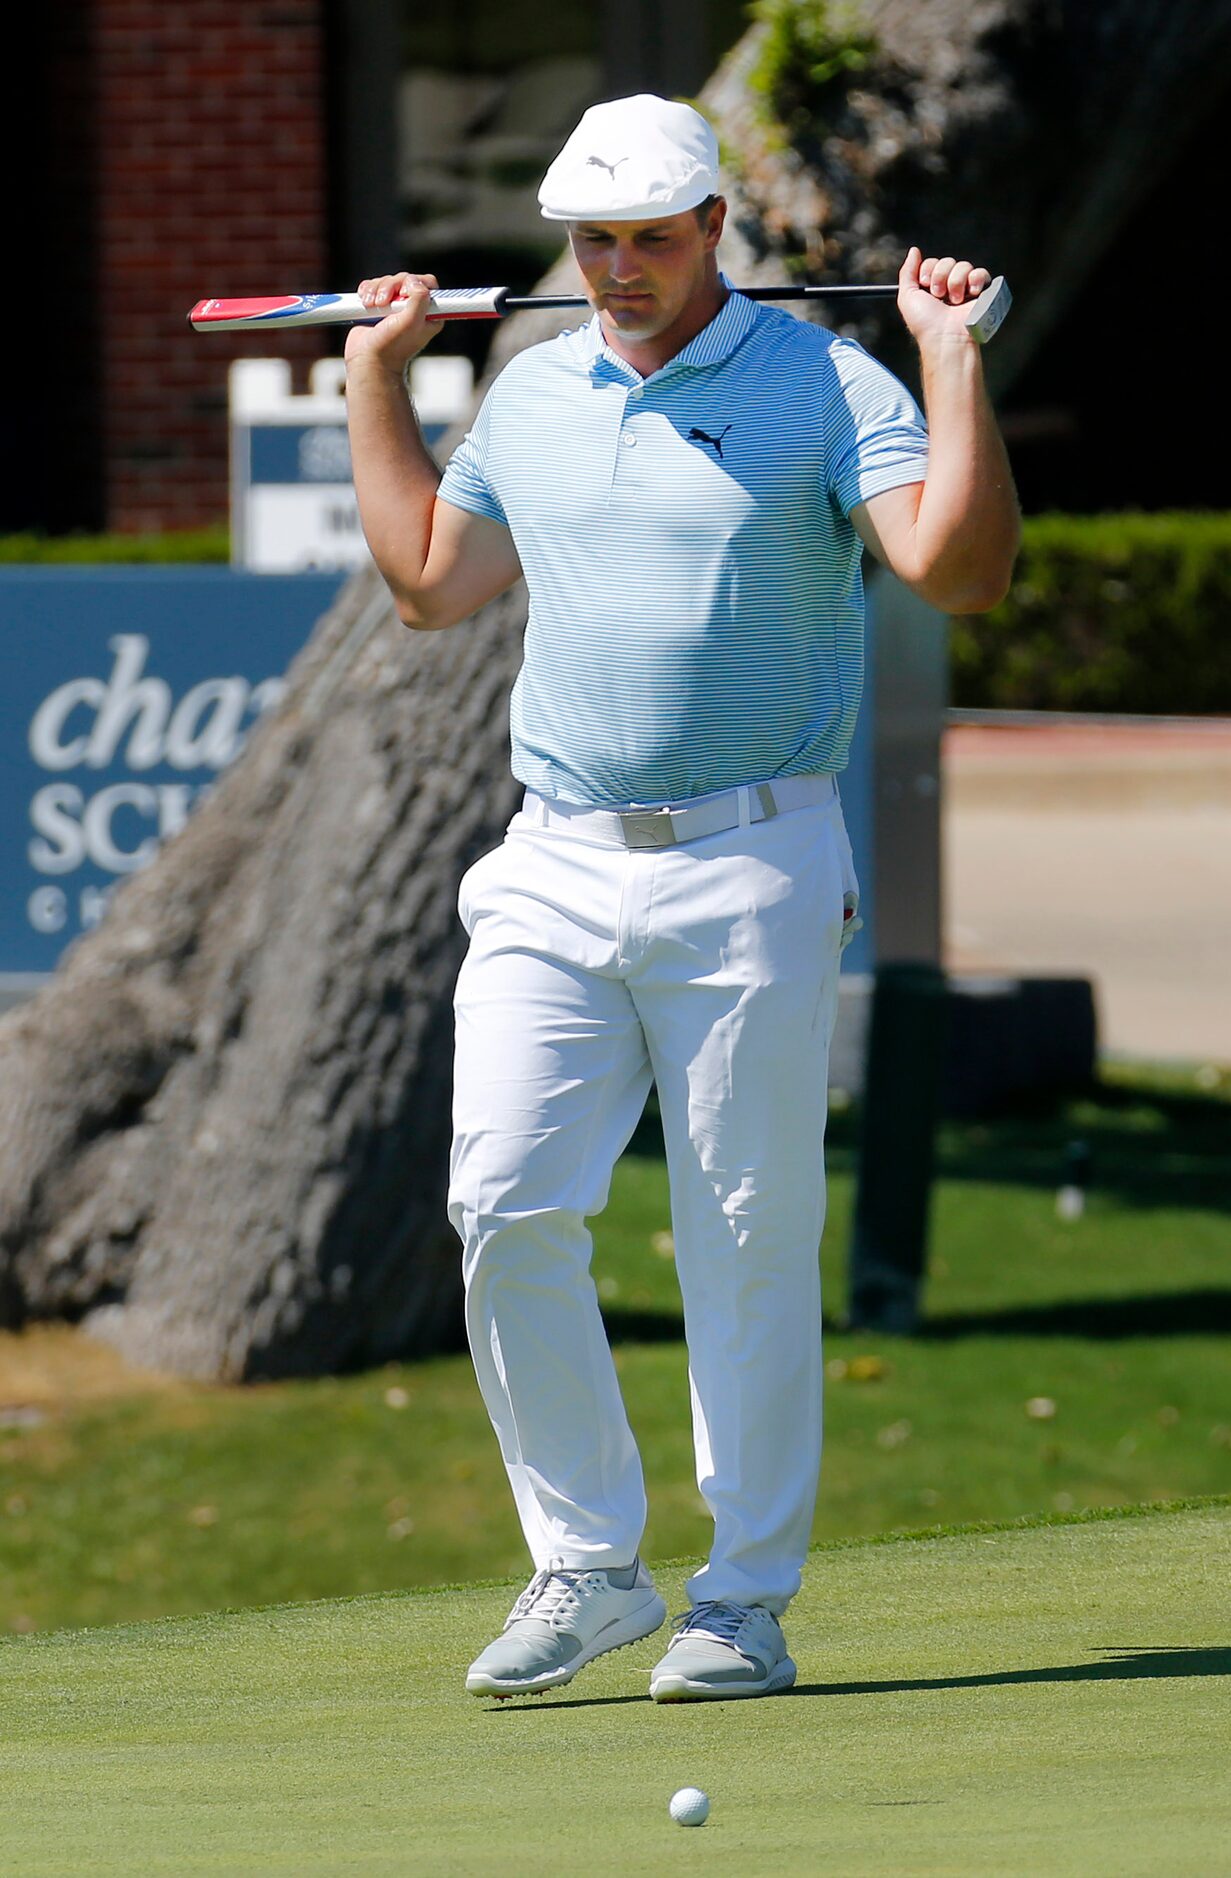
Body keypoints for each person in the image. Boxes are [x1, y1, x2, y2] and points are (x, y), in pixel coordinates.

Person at [343, 93, 1020, 1702]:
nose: (622, 266)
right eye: (595, 241)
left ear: (719, 226)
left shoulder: (824, 377)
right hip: (554, 859)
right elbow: (433, 583)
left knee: (746, 1237)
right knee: (502, 1207)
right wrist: (377, 386)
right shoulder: (530, 392)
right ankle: (586, 1565)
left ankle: (745, 1599)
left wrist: (956, 359)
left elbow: (959, 570)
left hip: (760, 858)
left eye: (652, 236)